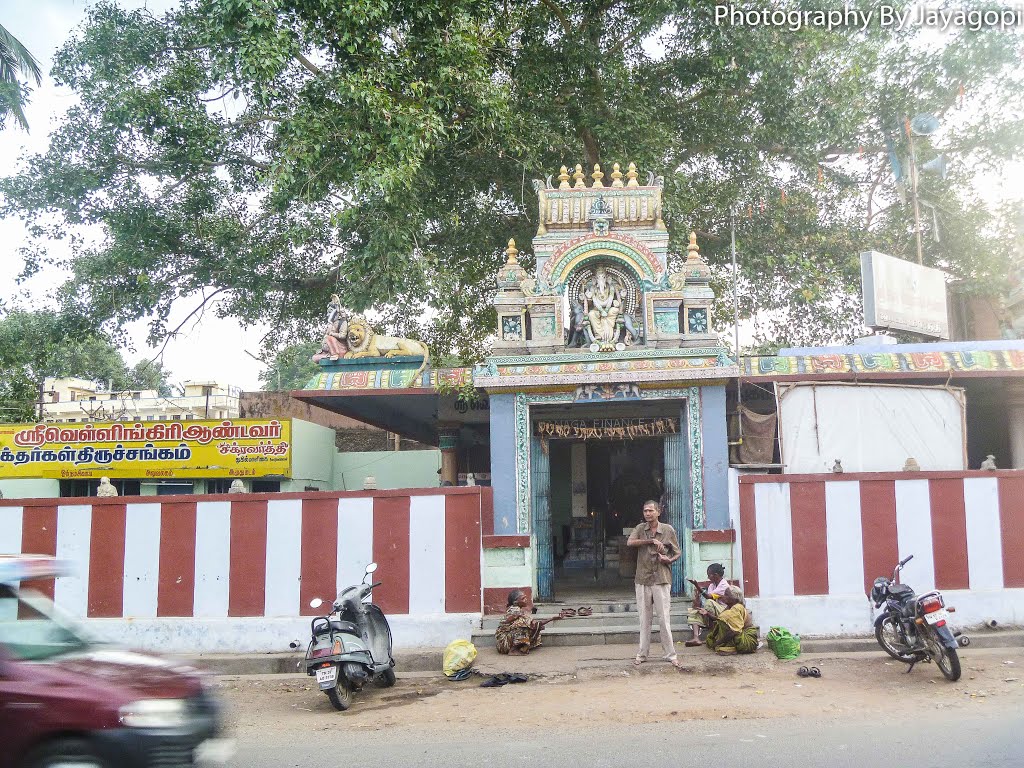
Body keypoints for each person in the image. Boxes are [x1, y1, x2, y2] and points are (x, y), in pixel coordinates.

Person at [626, 500, 683, 668]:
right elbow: (630, 542)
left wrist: (668, 559)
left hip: (661, 579)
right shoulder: (639, 529)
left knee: (664, 619)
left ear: (658, 512)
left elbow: (677, 552)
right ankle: (642, 654)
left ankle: (671, 654)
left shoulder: (667, 529)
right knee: (644, 619)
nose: (648, 513)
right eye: (645, 511)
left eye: (651, 510)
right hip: (642, 579)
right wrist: (650, 541)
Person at [494, 590, 562, 655]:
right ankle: (513, 650)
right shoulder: (514, 610)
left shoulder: (519, 611)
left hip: (506, 642)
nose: (526, 600)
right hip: (503, 643)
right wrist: (550, 619)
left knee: (536, 627)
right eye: (523, 598)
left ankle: (519, 647)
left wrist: (552, 619)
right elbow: (527, 623)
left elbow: (535, 624)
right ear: (515, 602)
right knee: (523, 623)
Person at [684, 563, 732, 647]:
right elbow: (706, 600)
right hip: (714, 609)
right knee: (694, 611)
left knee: (709, 602)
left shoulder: (724, 585)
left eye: (709, 575)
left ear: (715, 575)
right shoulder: (711, 586)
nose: (708, 577)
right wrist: (697, 596)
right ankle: (696, 638)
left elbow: (708, 597)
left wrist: (696, 585)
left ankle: (713, 635)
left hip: (724, 611)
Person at [701, 586, 759, 655]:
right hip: (737, 634)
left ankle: (733, 648)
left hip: (745, 639)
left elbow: (735, 631)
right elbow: (719, 619)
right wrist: (707, 613)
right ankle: (729, 646)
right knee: (710, 640)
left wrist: (718, 642)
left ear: (735, 597)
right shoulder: (729, 607)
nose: (723, 596)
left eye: (726, 595)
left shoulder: (737, 608)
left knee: (717, 646)